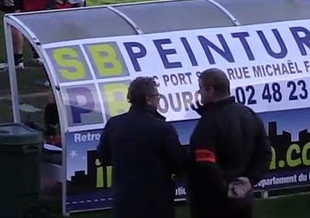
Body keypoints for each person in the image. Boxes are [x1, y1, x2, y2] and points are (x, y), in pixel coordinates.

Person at [97, 76, 186, 218]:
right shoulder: (163, 128)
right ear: (148, 99)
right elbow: (178, 164)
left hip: (124, 200)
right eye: (157, 96)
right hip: (156, 202)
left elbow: (104, 157)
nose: (158, 99)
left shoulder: (114, 124)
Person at [187, 68, 271, 218]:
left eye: (200, 89)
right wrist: (249, 182)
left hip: (212, 203)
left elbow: (205, 163)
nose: (199, 93)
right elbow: (264, 153)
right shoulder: (248, 114)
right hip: (243, 201)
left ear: (210, 90)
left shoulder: (208, 123)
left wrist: (226, 189)